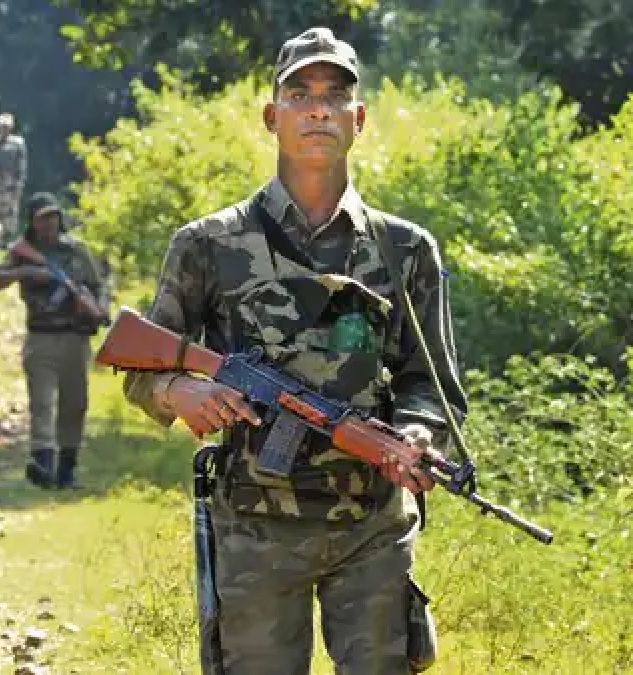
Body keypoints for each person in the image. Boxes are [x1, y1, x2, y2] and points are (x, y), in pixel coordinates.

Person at [121, 27, 468, 673]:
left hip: (371, 524)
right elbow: (138, 366)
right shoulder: (208, 244)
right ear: (271, 116)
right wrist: (179, 390)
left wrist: (417, 437)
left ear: (358, 120)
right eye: (300, 93)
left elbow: (433, 384)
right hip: (254, 525)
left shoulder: (406, 248)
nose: (318, 109)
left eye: (336, 97)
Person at [0, 193, 107, 489]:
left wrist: (97, 307)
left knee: (75, 404)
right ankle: (43, 466)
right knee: (42, 404)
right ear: (33, 223)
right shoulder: (22, 252)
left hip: (75, 337)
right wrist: (24, 272)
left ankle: (67, 470)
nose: (49, 224)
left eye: (53, 217)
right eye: (42, 219)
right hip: (41, 337)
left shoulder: (77, 251)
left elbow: (98, 286)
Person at [0, 112, 27, 248]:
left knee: (9, 213)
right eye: (1, 127)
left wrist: (19, 182)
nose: (3, 130)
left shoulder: (17, 143)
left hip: (10, 184)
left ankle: (6, 239)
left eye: (6, 127)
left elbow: (21, 164)